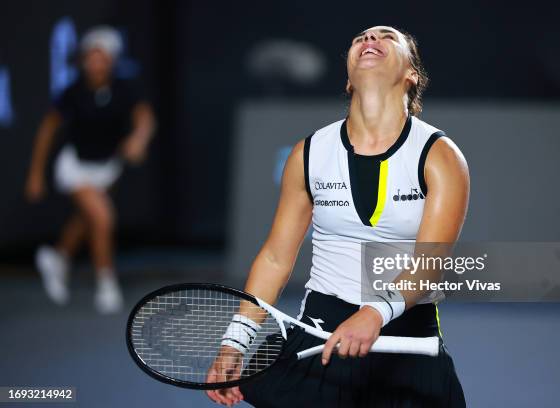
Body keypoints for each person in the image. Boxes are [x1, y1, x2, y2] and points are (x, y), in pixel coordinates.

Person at [207, 26, 469, 407]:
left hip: (407, 336)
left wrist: (374, 313)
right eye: (360, 38)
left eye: (386, 37)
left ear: (411, 74)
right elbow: (276, 258)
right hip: (319, 330)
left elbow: (430, 263)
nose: (369, 40)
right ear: (348, 79)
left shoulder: (440, 155)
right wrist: (236, 340)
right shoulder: (309, 153)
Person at [24, 26, 155, 314]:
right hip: (75, 166)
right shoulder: (72, 91)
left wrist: (138, 138)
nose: (96, 63)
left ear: (112, 60)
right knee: (103, 218)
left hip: (108, 168)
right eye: (91, 57)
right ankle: (106, 283)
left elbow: (145, 118)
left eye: (102, 57)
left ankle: (58, 257)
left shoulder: (125, 89)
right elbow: (47, 131)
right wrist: (35, 173)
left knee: (86, 220)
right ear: (84, 59)